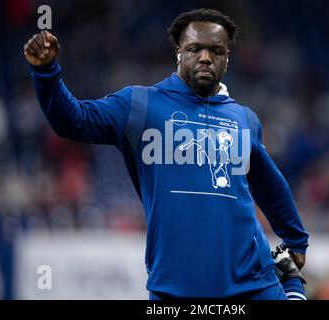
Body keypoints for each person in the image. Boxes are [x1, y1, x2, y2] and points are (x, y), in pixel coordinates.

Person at [24, 8, 309, 299]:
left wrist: (295, 239)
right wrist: (46, 73)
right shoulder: (140, 105)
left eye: (216, 51)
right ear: (179, 53)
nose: (206, 57)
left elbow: (269, 185)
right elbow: (74, 120)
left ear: (226, 58)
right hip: (175, 292)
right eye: (195, 48)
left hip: (253, 284)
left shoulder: (244, 118)